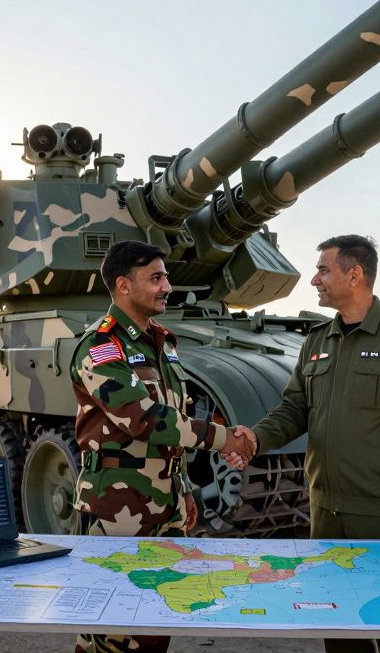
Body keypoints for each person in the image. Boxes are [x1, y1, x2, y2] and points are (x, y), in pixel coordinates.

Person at [229, 234, 380, 653]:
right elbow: (295, 410)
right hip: (325, 510)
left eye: (323, 269)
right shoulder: (318, 341)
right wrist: (257, 437)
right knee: (338, 625)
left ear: (354, 274)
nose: (315, 279)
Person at [71, 239, 252, 653]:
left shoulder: (163, 343)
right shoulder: (101, 348)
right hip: (119, 507)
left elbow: (174, 420)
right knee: (112, 627)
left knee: (155, 618)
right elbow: (146, 420)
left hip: (165, 502)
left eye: (166, 276)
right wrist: (226, 439)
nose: (167, 286)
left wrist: (185, 487)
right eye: (155, 278)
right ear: (123, 286)